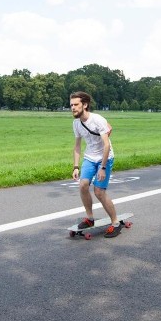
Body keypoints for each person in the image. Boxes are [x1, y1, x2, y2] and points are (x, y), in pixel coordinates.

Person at [70, 91, 122, 238]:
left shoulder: (97, 119)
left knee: (99, 192)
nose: (73, 108)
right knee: (83, 185)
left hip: (105, 158)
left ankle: (115, 223)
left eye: (76, 104)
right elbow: (77, 147)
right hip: (90, 157)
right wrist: (75, 166)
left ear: (85, 105)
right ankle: (90, 219)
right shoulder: (76, 123)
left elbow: (106, 146)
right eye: (71, 105)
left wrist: (103, 168)